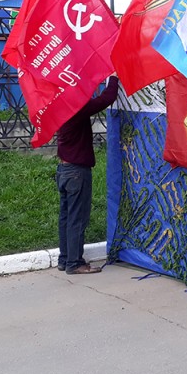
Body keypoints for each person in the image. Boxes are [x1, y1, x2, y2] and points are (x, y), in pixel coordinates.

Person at [56, 75, 119, 274]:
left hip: (64, 170)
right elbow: (106, 98)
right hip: (77, 172)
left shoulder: (59, 107)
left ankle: (65, 259)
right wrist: (113, 77)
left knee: (66, 217)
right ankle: (75, 263)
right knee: (77, 218)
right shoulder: (74, 108)